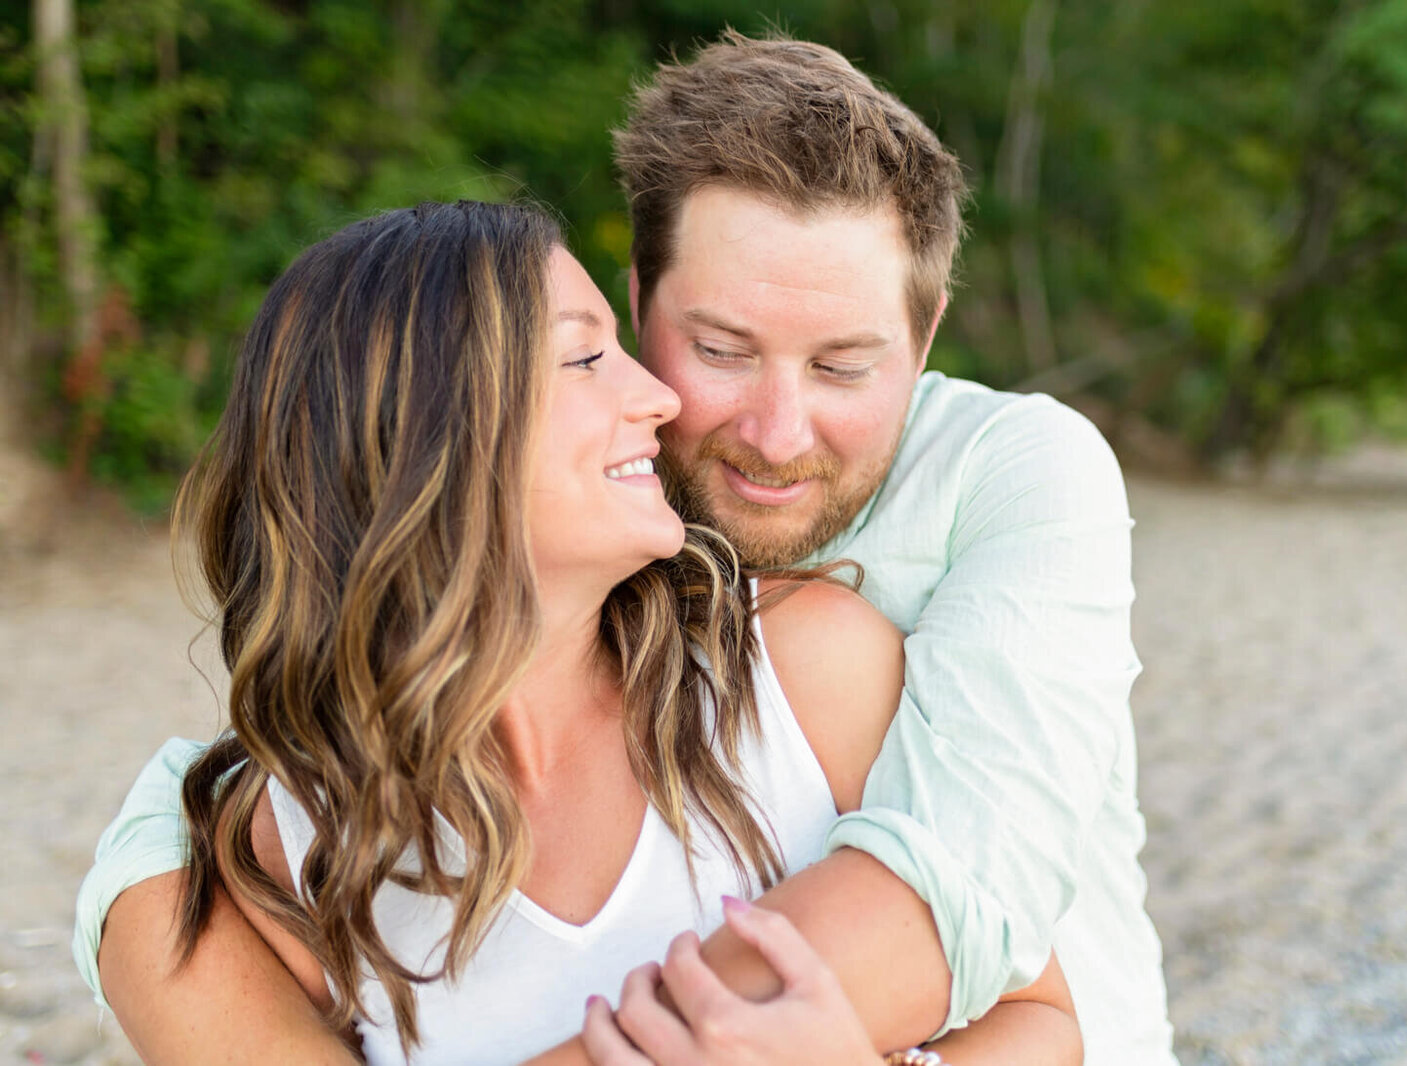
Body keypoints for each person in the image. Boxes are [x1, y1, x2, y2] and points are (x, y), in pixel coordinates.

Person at [77, 33, 1175, 1064]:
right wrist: (150, 888)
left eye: (842, 366)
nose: (772, 432)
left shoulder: (949, 533)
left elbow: (970, 909)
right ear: (642, 301)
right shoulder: (298, 826)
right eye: (716, 349)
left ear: (923, 338)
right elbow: (202, 815)